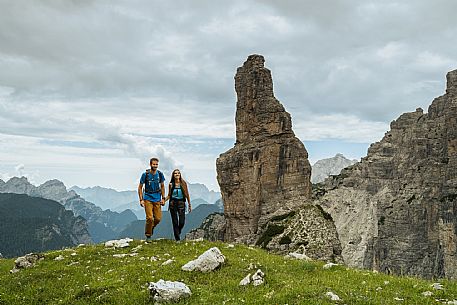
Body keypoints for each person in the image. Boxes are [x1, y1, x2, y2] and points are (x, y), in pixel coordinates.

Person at [138, 157, 165, 242]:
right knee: (149, 218)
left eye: (157, 164)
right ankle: (148, 235)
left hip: (157, 198)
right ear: (150, 164)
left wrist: (163, 198)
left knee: (158, 219)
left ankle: (151, 227)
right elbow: (140, 187)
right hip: (148, 198)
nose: (155, 166)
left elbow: (163, 186)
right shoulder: (145, 174)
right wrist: (141, 200)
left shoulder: (160, 174)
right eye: (154, 164)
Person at [166, 169, 191, 241]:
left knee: (182, 222)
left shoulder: (183, 183)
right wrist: (164, 200)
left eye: (178, 173)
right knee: (175, 222)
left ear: (180, 175)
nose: (177, 174)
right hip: (173, 204)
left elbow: (187, 194)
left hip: (181, 203)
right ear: (173, 175)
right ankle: (177, 239)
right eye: (175, 173)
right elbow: (169, 195)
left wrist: (189, 204)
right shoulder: (171, 184)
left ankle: (178, 232)